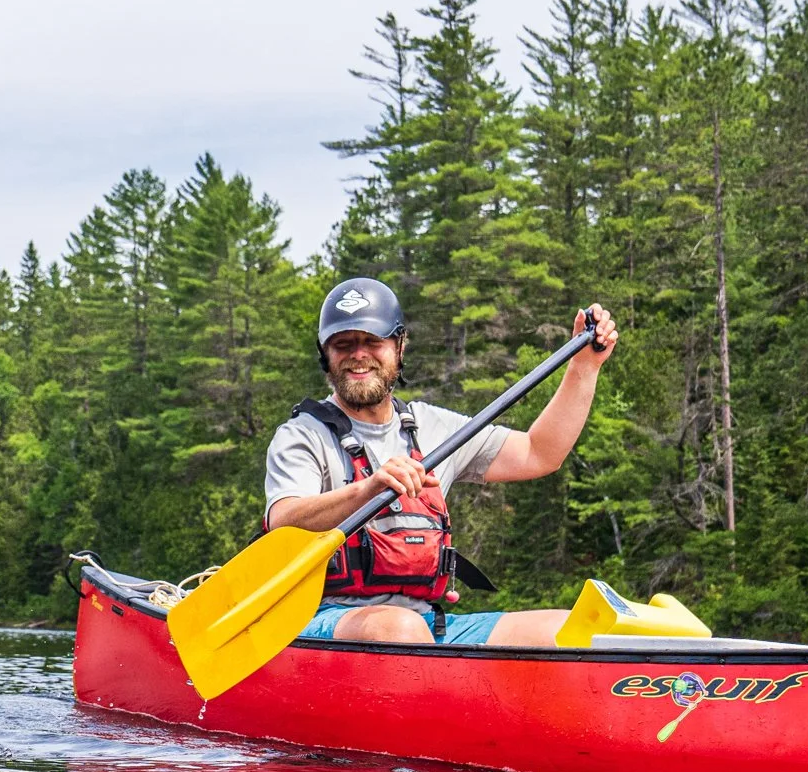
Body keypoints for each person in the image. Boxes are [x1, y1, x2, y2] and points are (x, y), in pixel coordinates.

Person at [263, 277, 619, 646]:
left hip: (427, 624)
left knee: (565, 631)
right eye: (343, 344)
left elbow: (539, 453)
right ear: (326, 354)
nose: (358, 354)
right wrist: (369, 488)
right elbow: (284, 519)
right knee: (401, 630)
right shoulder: (302, 435)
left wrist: (584, 367)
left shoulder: (434, 427)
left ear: (399, 347)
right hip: (323, 619)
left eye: (373, 341)